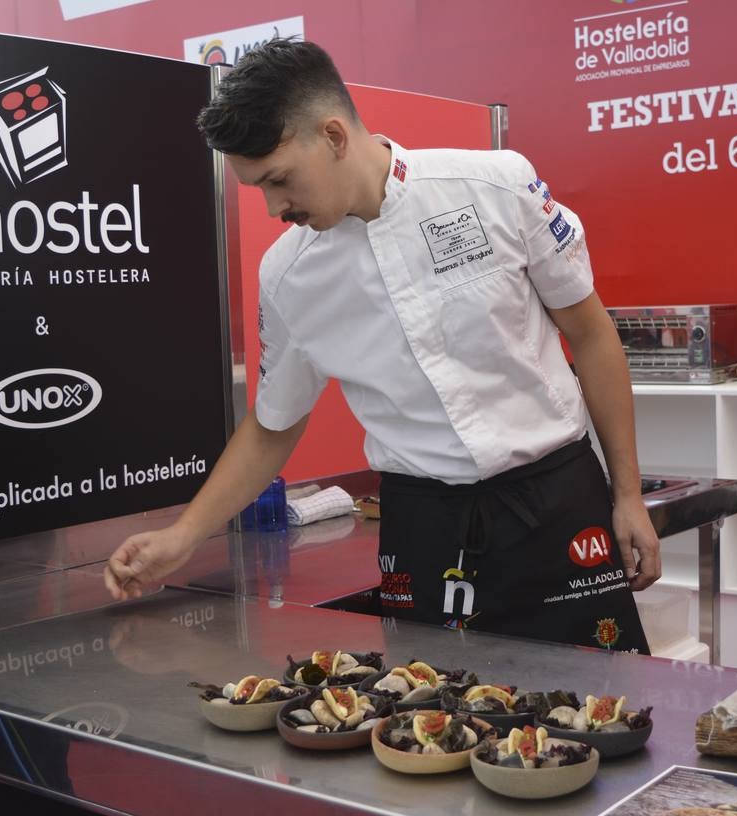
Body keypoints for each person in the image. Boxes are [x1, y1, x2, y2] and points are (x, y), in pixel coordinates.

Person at [103, 40, 660, 653]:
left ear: (335, 137)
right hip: (422, 527)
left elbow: (591, 334)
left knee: (602, 719)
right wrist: (182, 536)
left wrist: (627, 495)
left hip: (558, 503)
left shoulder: (496, 187)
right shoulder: (289, 276)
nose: (272, 208)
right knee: (430, 726)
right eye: (256, 188)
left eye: (279, 180)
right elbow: (272, 428)